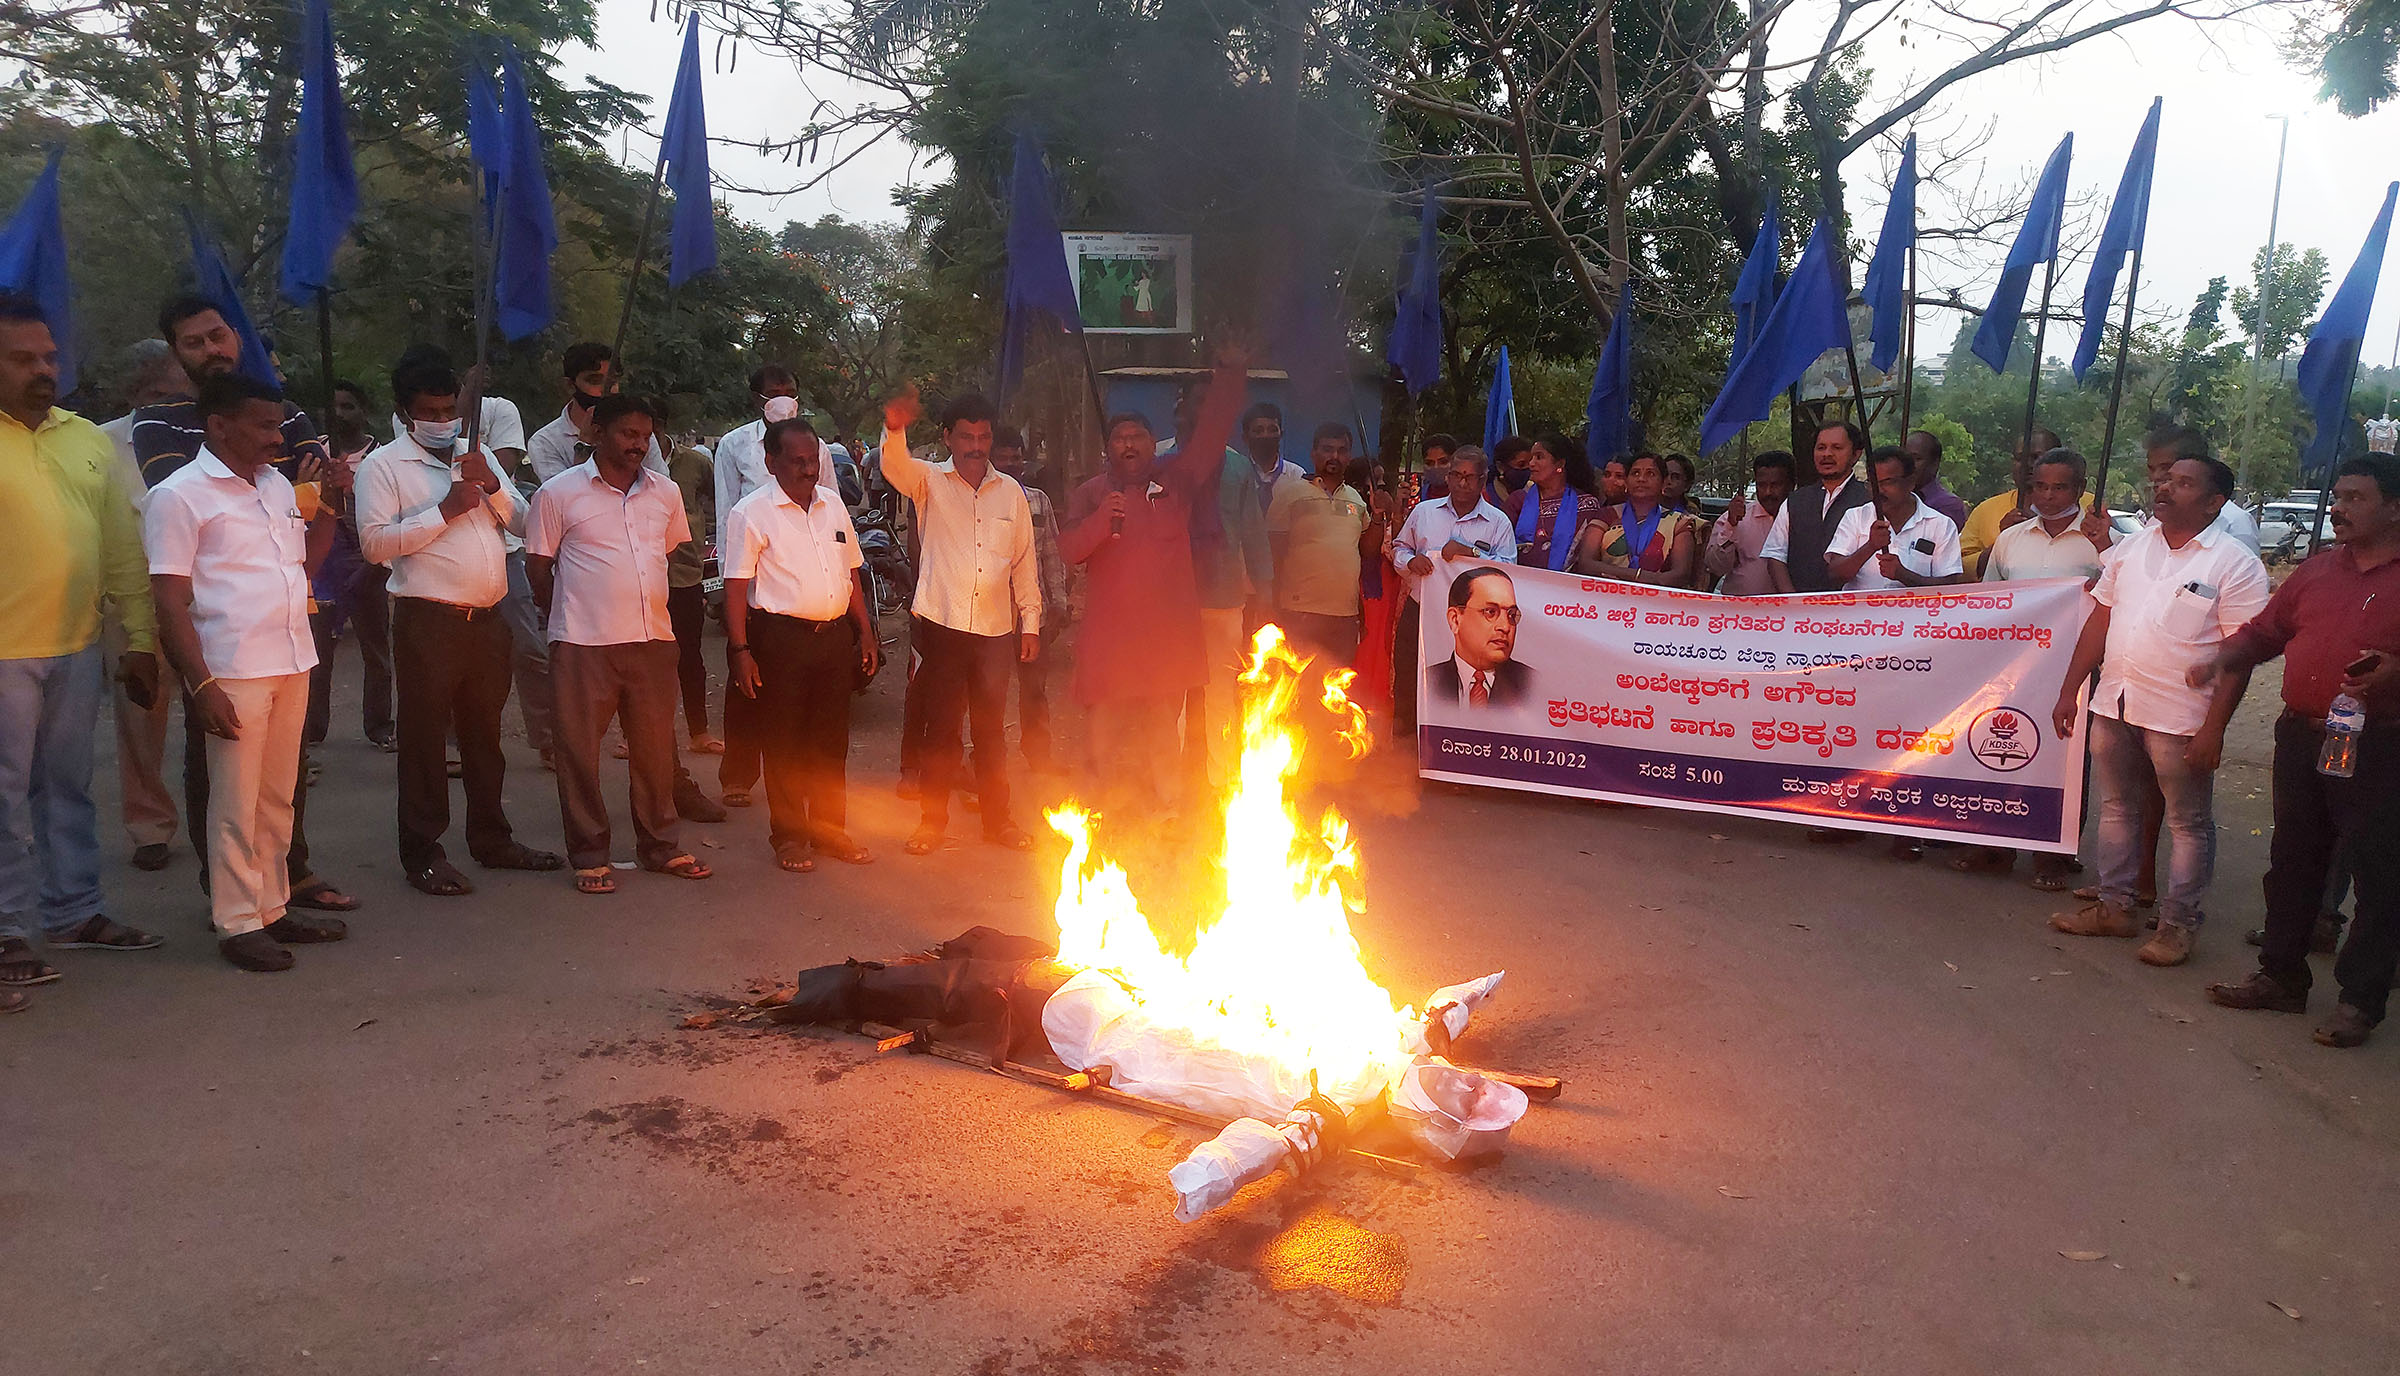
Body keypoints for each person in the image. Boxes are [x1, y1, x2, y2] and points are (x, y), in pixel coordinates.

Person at [134, 295, 358, 918]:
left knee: (277, 795)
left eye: (279, 426)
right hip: (228, 663)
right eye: (263, 428)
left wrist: (328, 502)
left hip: (289, 655)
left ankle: (275, 905)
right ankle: (236, 919)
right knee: (231, 799)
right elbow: (170, 594)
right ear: (219, 426)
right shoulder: (177, 486)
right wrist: (200, 683)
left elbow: (302, 562)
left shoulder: (276, 482)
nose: (278, 438)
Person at [2200, 456, 2400, 1046]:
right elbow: (2267, 632)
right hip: (2302, 736)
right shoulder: (2316, 571)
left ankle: (2359, 1001)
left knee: (2378, 874)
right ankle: (2280, 977)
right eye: (2337, 496)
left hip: (2381, 744)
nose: (2338, 507)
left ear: (2395, 508)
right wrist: (2222, 656)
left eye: (2356, 497)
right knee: (2293, 860)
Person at [0, 297, 166, 1007]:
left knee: (67, 787)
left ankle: (72, 911)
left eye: (49, 356)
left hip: (74, 644)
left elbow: (121, 549)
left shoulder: (85, 439)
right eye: (22, 359)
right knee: (4, 797)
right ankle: (7, 931)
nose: (43, 369)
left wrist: (140, 639)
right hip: (4, 654)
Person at [2047, 454, 2268, 967]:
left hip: (2182, 715)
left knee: (2188, 823)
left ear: (2214, 502)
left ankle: (2178, 925)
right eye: (2165, 480)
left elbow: (2241, 655)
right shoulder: (2132, 547)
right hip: (2116, 701)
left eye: (2183, 483)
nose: (2164, 487)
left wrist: (2214, 729)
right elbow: (2100, 619)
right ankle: (2114, 908)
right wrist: (2069, 689)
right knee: (2117, 807)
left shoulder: (2235, 563)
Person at [355, 353, 563, 898]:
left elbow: (525, 524)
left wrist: (493, 486)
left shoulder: (479, 453)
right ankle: (423, 853)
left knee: (484, 736)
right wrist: (444, 510)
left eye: (450, 410)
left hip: (489, 617)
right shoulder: (384, 466)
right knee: (425, 741)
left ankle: (492, 838)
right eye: (430, 411)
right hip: (429, 620)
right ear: (405, 412)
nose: (443, 420)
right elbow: (374, 545)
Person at [525, 394, 714, 895]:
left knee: (654, 751)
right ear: (597, 433)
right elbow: (538, 567)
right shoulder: (558, 494)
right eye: (628, 434)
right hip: (582, 643)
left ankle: (661, 846)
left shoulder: (665, 493)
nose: (639, 444)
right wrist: (570, 611)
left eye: (645, 435)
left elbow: (665, 552)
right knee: (578, 754)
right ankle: (590, 854)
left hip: (652, 640)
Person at [1061, 354, 1245, 816]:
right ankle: (1097, 813)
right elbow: (1067, 550)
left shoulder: (1176, 485)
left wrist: (1231, 375)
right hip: (1110, 642)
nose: (1128, 444)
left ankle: (1167, 809)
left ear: (1152, 444)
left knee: (1165, 728)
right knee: (1102, 732)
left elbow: (1210, 440)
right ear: (1108, 448)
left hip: (1166, 641)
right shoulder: (1091, 494)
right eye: (1119, 438)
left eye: (1137, 437)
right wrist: (1102, 520)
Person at [878, 389, 1042, 855]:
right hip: (942, 626)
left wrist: (1030, 621)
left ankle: (999, 821)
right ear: (948, 437)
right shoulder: (928, 481)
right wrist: (895, 427)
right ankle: (932, 823)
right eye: (966, 437)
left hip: (994, 632)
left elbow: (1023, 562)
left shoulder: (1010, 493)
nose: (976, 446)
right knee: (942, 731)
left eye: (983, 437)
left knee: (990, 734)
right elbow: (893, 465)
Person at [722, 417, 880, 873]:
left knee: (830, 742)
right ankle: (790, 837)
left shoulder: (833, 505)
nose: (808, 470)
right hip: (780, 641)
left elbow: (851, 572)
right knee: (784, 742)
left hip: (833, 640)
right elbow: (736, 587)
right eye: (797, 461)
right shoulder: (751, 513)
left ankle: (829, 831)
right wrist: (740, 651)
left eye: (813, 460)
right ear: (771, 462)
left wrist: (865, 632)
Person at [1952, 449, 2115, 887]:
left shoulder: (2104, 542)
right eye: (2039, 486)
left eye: (2059, 487)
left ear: (2080, 489)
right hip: (2014, 666)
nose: (2047, 495)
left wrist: (2105, 554)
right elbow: (1991, 600)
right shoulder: (2011, 538)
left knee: (2067, 757)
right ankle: (1995, 845)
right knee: (1999, 745)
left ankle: (2054, 854)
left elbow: (2121, 594)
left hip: (2076, 664)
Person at [96, 339, 188, 872]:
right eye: (157, 395)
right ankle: (149, 825)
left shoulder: (206, 434)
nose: (169, 405)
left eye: (177, 393)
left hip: (203, 597)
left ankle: (222, 818)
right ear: (134, 395)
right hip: (133, 597)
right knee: (139, 716)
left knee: (217, 710)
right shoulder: (102, 444)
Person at [1392, 447, 1516, 735]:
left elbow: (1509, 570)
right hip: (1421, 613)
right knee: (1409, 683)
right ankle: (1404, 751)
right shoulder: (1424, 512)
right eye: (1457, 475)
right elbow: (1400, 548)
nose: (1462, 483)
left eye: (1470, 477)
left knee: (1456, 690)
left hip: (1473, 623)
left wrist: (1471, 553)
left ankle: (1456, 749)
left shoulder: (1498, 522)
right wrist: (1410, 561)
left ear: (1483, 480)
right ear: (1447, 477)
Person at [306, 378, 395, 753]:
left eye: (349, 406)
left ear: (364, 412)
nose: (340, 414)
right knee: (317, 651)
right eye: (334, 407)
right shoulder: (314, 452)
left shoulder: (382, 458)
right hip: (323, 562)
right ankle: (312, 729)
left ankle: (380, 726)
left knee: (375, 649)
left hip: (367, 562)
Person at [994, 425, 1073, 774]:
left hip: (1033, 618)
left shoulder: (1039, 500)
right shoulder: (981, 503)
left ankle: (1039, 757)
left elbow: (1052, 553)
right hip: (991, 618)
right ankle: (985, 761)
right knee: (989, 694)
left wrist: (1059, 602)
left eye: (1016, 457)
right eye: (1003, 458)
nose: (1011, 464)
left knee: (1035, 690)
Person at [1266, 421, 1373, 661]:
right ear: (1313, 454)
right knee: (1297, 682)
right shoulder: (1289, 494)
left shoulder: (1356, 500)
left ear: (1349, 456)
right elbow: (1273, 555)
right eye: (1327, 449)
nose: (1334, 456)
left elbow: (1367, 551)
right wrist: (1272, 607)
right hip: (1299, 612)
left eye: (1342, 450)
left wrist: (1379, 516)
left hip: (1344, 616)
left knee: (1338, 683)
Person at [1823, 446, 1966, 591]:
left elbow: (1949, 587)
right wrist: (1870, 546)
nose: (1879, 490)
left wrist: (1904, 575)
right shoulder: (1855, 517)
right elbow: (1835, 575)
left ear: (1910, 482)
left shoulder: (1941, 525)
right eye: (1872, 483)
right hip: (1862, 606)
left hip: (1915, 606)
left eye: (1888, 482)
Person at [525, 342, 667, 483]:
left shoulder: (638, 432)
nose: (606, 390)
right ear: (570, 385)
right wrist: (585, 445)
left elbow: (662, 485)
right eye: (595, 381)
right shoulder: (545, 442)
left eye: (613, 382)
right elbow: (562, 494)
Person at [1762, 421, 1872, 593]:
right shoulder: (1796, 500)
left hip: (1852, 604)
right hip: (1799, 603)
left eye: (1836, 448)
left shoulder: (1869, 500)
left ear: (1856, 455)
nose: (1827, 454)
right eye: (1821, 448)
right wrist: (1792, 600)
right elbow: (1775, 555)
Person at [1574, 451, 1701, 587]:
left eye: (1650, 474)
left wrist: (1618, 575)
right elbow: (1586, 564)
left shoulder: (1679, 523)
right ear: (1627, 481)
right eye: (1635, 473)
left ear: (1663, 482)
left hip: (1655, 598)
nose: (1641, 479)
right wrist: (1639, 576)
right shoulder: (1606, 516)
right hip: (1606, 594)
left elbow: (1679, 576)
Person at [666, 430, 718, 753]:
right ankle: (633, 737)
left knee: (689, 656)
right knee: (640, 661)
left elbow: (716, 498)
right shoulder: (628, 466)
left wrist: (700, 531)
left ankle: (699, 732)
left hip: (685, 573)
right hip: (640, 578)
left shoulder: (695, 463)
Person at [1957, 427, 2065, 577]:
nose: (2027, 464)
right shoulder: (1986, 510)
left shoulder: (2087, 508)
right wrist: (2004, 541)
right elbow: (1959, 570)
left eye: (2036, 457)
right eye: (2020, 458)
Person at [1422, 565, 1534, 709]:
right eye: (1490, 612)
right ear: (1455, 620)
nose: (1505, 627)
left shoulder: (1532, 685)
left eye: (1511, 615)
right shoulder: (1426, 681)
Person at [2143, 426, 2263, 553]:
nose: (2155, 476)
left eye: (2165, 467)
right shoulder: (2154, 524)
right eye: (2152, 469)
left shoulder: (2235, 523)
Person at [1704, 451, 1796, 597]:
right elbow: (1716, 567)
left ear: (1791, 485)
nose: (1768, 492)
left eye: (1775, 485)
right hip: (1740, 607)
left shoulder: (1804, 518)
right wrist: (1730, 526)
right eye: (1761, 485)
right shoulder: (1735, 518)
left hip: (1792, 607)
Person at [1505, 432, 1594, 572]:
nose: (1531, 464)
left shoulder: (1585, 504)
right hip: (1518, 579)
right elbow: (1501, 544)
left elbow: (1586, 556)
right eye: (1531, 458)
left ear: (1560, 464)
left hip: (1568, 582)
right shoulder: (1518, 500)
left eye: (1539, 457)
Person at [1239, 401, 1305, 515]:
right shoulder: (1236, 474)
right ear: (1245, 437)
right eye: (1258, 431)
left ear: (1281, 434)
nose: (1266, 435)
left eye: (1272, 430)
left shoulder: (1297, 476)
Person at [1905, 429, 1971, 530]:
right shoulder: (1891, 498)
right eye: (1905, 458)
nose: (1909, 464)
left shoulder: (1947, 504)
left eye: (1917, 459)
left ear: (1934, 464)